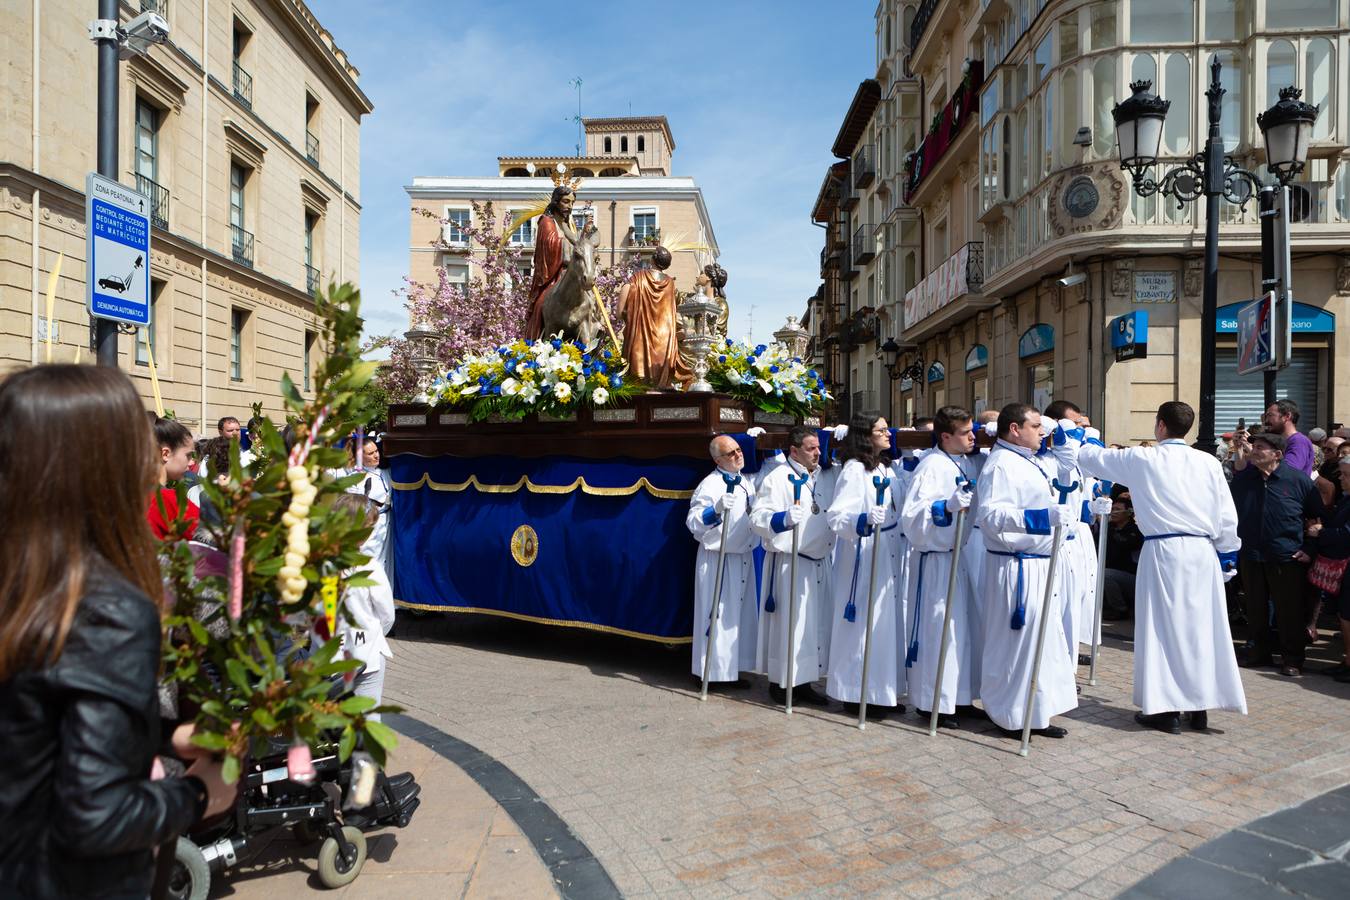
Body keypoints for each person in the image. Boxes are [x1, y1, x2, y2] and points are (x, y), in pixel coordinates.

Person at [0, 365, 236, 898]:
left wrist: (158, 735)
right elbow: (97, 815)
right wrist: (200, 795)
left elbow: (38, 722)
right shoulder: (105, 606)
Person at [1064, 401, 1246, 733]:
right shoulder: (1207, 462)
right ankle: (1199, 705)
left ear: (1160, 425)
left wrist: (1084, 433)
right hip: (1203, 551)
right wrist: (1227, 553)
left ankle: (1165, 710)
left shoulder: (1144, 458)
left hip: (1164, 549)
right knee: (1200, 629)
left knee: (1162, 628)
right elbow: (1226, 513)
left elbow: (1094, 460)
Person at [975, 403, 1078, 740]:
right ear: (1014, 429)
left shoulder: (1027, 460)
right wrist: (1040, 518)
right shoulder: (1000, 465)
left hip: (1038, 565)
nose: (1041, 431)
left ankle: (1035, 714)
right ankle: (1009, 715)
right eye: (1035, 426)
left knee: (1041, 644)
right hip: (1015, 566)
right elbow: (990, 516)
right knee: (1014, 646)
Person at [900, 406, 980, 728]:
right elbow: (913, 517)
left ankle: (957, 697)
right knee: (938, 631)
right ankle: (932, 702)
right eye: (966, 432)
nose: (973, 436)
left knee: (960, 632)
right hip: (934, 560)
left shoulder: (961, 462)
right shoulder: (931, 466)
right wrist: (944, 507)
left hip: (955, 557)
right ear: (946, 436)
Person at [826, 413, 904, 717]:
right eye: (881, 430)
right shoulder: (854, 470)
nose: (888, 434)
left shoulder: (886, 467)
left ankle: (882, 690)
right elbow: (836, 516)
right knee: (862, 624)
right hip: (864, 550)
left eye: (887, 428)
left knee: (884, 624)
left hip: (888, 550)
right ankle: (855, 692)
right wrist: (862, 519)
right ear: (865, 435)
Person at [1229, 431, 1324, 676]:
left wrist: (1308, 549)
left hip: (1286, 556)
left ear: (1277, 454)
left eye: (1260, 447)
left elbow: (1318, 519)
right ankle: (1258, 652)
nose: (1254, 450)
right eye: (1253, 446)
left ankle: (1292, 658)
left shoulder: (1297, 481)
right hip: (1251, 555)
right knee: (1256, 608)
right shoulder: (1244, 479)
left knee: (1288, 611)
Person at [751, 426, 833, 707]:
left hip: (818, 561)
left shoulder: (822, 476)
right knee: (789, 625)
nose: (818, 453)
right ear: (794, 451)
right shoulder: (777, 478)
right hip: (790, 562)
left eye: (819, 448)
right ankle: (780, 681)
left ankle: (805, 681)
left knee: (812, 626)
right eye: (811, 449)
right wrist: (783, 518)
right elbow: (759, 517)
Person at [686, 435, 759, 688]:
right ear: (717, 459)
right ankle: (709, 672)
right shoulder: (710, 485)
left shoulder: (746, 482)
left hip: (743, 557)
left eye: (739, 450)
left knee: (737, 618)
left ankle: (731, 671)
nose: (738, 455)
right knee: (715, 617)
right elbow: (693, 521)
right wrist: (714, 511)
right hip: (718, 558)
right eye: (731, 453)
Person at [326, 494, 396, 718]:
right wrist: (373, 633)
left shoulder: (322, 565)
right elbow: (386, 615)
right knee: (368, 714)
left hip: (330, 653)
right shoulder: (369, 567)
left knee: (335, 712)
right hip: (366, 653)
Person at [618, 246, 689, 389]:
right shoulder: (670, 284)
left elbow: (620, 312)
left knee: (639, 384)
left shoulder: (637, 279)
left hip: (640, 337)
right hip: (664, 340)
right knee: (661, 386)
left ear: (652, 259)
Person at [1308, 458, 1350, 683]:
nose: (1340, 478)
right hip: (1341, 565)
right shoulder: (1346, 499)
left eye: (1345, 474)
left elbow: (1346, 533)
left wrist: (1321, 533)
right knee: (1344, 616)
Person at [524, 186, 580, 340]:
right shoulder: (547, 222)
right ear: (556, 202)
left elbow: (578, 243)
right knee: (543, 304)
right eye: (566, 201)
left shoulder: (566, 225)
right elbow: (549, 246)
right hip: (552, 277)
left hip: (571, 275)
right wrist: (569, 246)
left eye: (572, 203)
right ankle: (540, 338)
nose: (569, 206)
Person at [149, 415, 200, 541]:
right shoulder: (168, 500)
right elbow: (212, 536)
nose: (192, 462)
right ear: (165, 454)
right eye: (188, 455)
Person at [1101, 492, 1144, 620]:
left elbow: (1124, 544)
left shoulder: (1135, 530)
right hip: (1116, 577)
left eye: (1118, 510)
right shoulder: (1109, 527)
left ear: (1129, 512)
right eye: (1112, 509)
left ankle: (1120, 609)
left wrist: (1106, 527)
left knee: (1105, 574)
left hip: (1131, 578)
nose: (1113, 512)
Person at [1242, 400, 1315, 476]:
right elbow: (1243, 469)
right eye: (1266, 416)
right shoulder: (1275, 441)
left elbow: (1288, 472)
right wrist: (1239, 449)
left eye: (1270, 415)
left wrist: (1257, 453)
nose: (1266, 420)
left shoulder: (1299, 441)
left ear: (1287, 416)